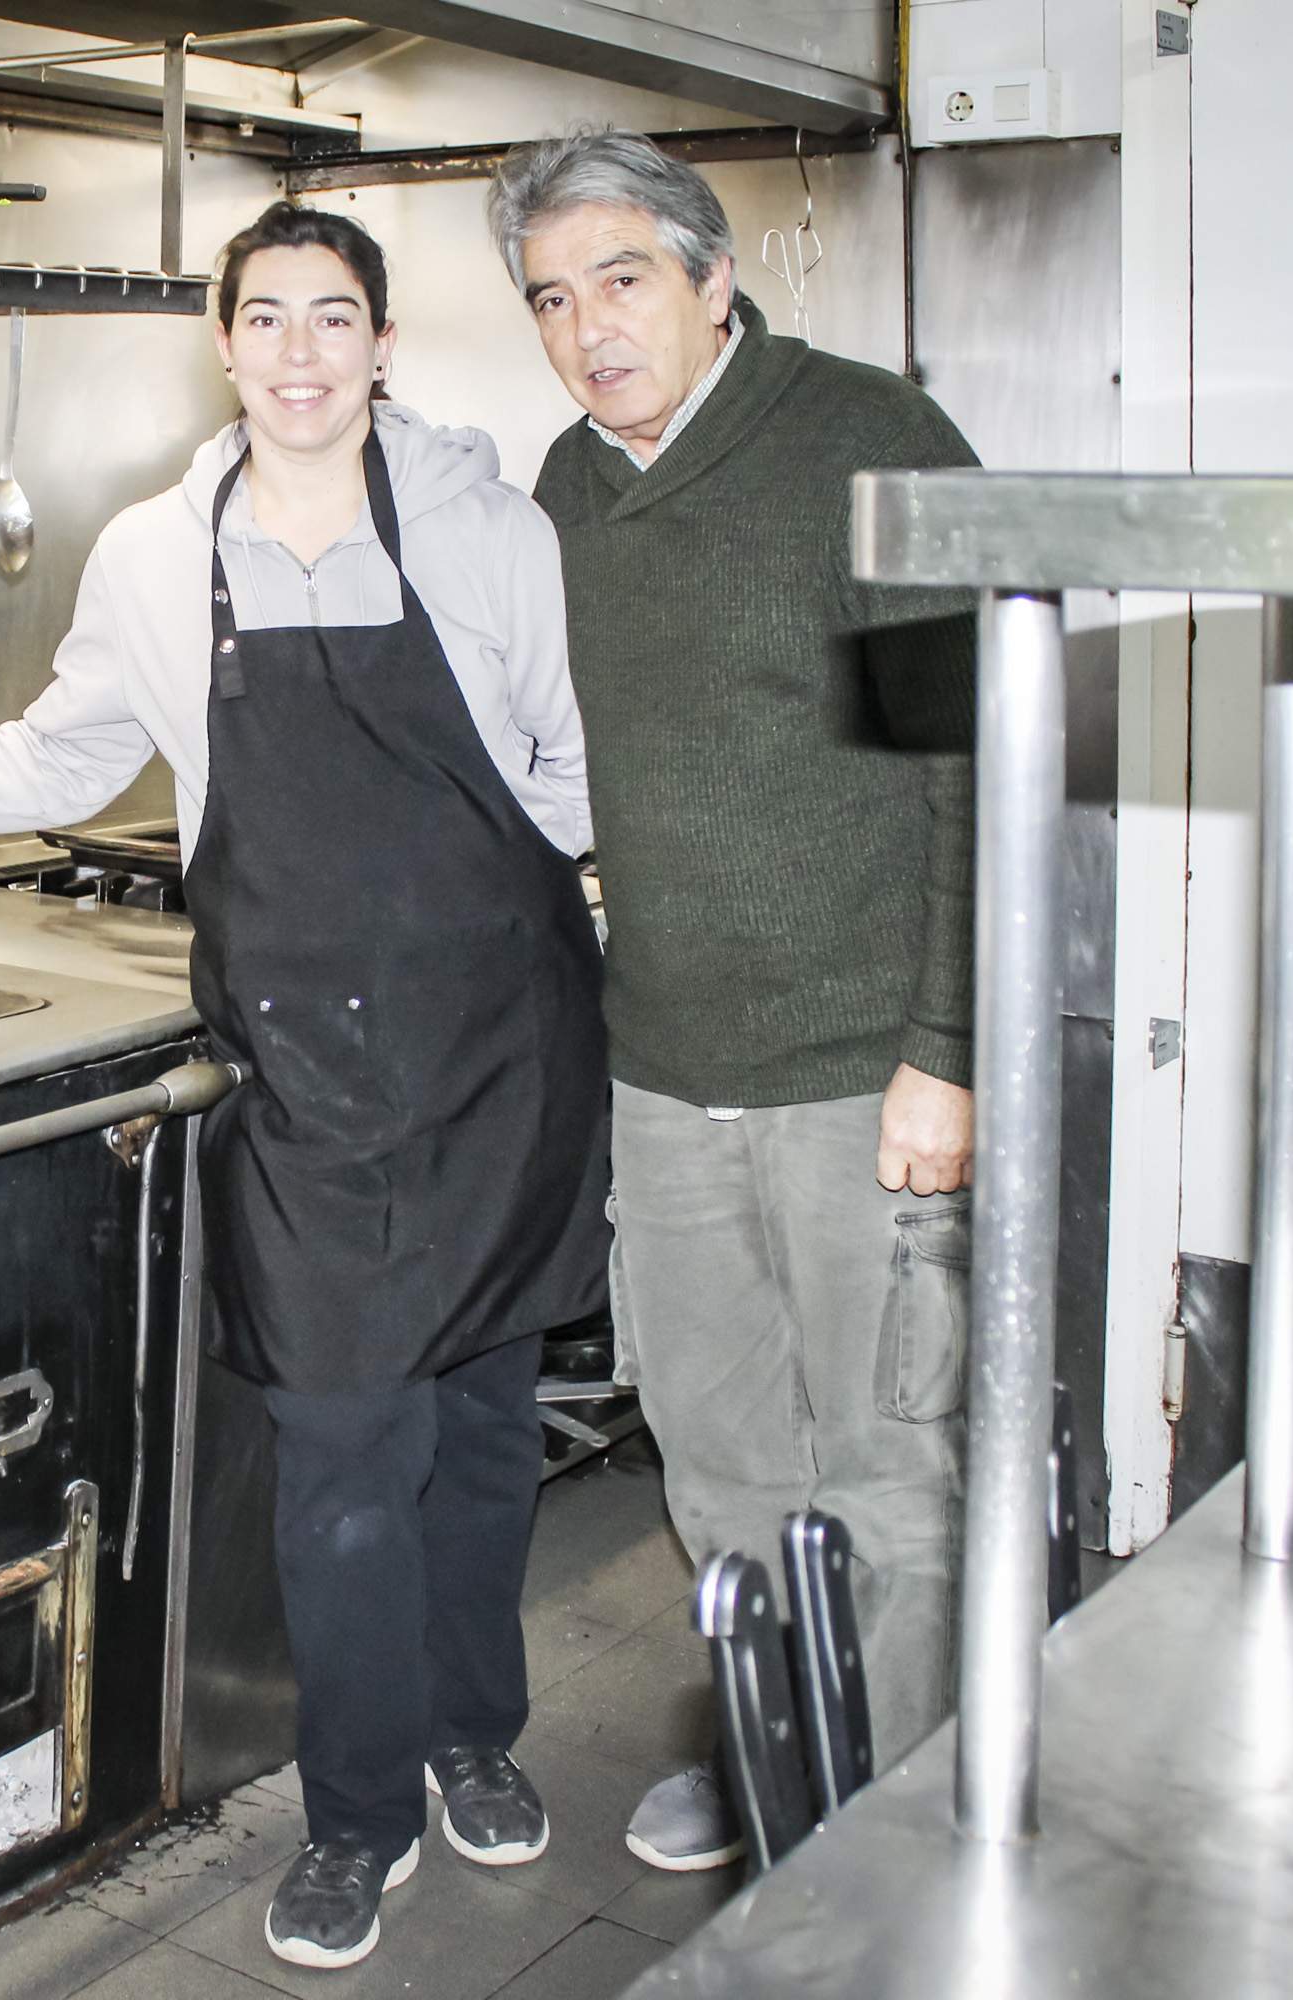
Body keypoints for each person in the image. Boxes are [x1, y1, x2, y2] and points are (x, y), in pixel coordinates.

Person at [0, 201, 606, 1971]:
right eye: (269, 317)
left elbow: (570, 768)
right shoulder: (155, 555)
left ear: (382, 344)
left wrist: (543, 904)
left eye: (335, 318)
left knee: (481, 1439)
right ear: (225, 343)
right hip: (307, 1076)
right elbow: (59, 750)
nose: (302, 351)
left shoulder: (490, 529)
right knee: (338, 1454)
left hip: (498, 1052)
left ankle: (474, 1739)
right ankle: (360, 1818)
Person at [483, 128, 984, 1872]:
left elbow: (974, 773)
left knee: (892, 1470)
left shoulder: (875, 444)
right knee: (719, 1463)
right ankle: (782, 1753)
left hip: (867, 1071)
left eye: (623, 280)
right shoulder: (562, 491)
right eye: (552, 298)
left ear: (710, 279)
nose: (589, 327)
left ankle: (901, 1818)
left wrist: (951, 1050)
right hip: (668, 1071)